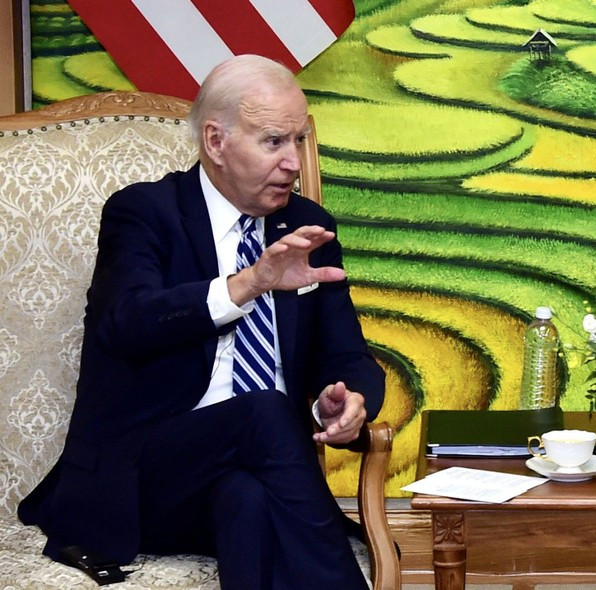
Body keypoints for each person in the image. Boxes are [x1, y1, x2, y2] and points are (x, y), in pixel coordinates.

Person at [18, 54, 385, 590]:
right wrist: (248, 283)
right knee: (263, 411)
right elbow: (126, 321)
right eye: (274, 142)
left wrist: (347, 401)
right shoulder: (144, 212)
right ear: (215, 141)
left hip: (250, 474)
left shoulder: (307, 225)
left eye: (298, 140)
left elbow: (346, 353)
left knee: (247, 499)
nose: (293, 162)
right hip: (144, 478)